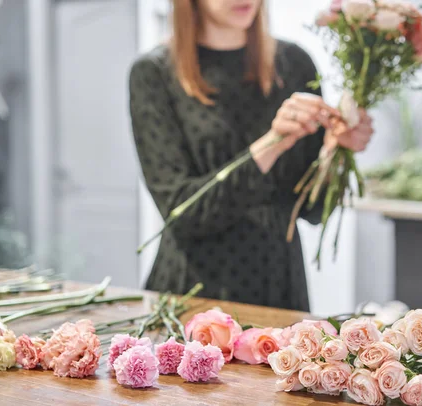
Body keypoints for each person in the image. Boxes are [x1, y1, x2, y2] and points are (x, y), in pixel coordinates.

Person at [129, 0, 374, 311]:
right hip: (194, 292)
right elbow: (183, 214)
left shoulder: (294, 63)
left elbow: (312, 210)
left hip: (279, 288)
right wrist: (272, 143)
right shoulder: (154, 73)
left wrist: (336, 149)